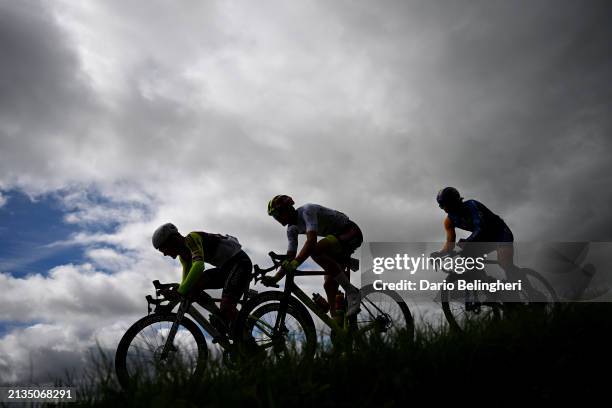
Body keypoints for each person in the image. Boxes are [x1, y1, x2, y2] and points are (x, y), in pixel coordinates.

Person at [262, 195, 363, 316]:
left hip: (350, 231)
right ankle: (337, 323)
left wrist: (295, 263)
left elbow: (311, 242)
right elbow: (290, 258)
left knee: (315, 251)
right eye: (274, 216)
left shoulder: (307, 211)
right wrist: (275, 278)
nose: (278, 218)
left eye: (279, 213)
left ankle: (351, 291)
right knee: (329, 285)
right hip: (335, 240)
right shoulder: (291, 230)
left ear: (289, 208)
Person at [152, 223, 252, 334]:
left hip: (240, 263)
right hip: (226, 268)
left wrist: (180, 291)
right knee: (194, 287)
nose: (165, 254)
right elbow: (186, 282)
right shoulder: (184, 256)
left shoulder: (191, 238)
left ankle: (247, 337)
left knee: (227, 305)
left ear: (173, 240)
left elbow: (199, 265)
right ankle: (221, 317)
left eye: (164, 249)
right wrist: (180, 292)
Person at [431, 187, 525, 285]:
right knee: (468, 258)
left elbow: (480, 227)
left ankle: (528, 289)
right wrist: (439, 254)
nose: (444, 208)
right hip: (484, 237)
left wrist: (468, 241)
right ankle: (488, 286)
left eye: (446, 204)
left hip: (500, 233)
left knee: (504, 263)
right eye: (441, 205)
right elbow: (450, 245)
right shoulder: (449, 221)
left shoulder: (472, 205)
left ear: (455, 201)